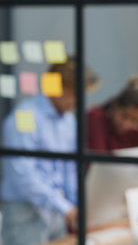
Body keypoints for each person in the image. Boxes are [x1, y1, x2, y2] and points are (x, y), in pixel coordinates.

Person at [1, 58, 98, 245]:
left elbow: (70, 168)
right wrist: (65, 207)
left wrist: (76, 206)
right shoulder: (25, 117)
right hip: (26, 214)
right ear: (58, 87)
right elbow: (23, 174)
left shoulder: (68, 122)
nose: (76, 102)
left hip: (57, 214)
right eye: (74, 94)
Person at [87, 77, 138, 152]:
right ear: (114, 106)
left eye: (134, 120)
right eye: (124, 116)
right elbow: (98, 159)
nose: (126, 124)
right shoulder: (96, 117)